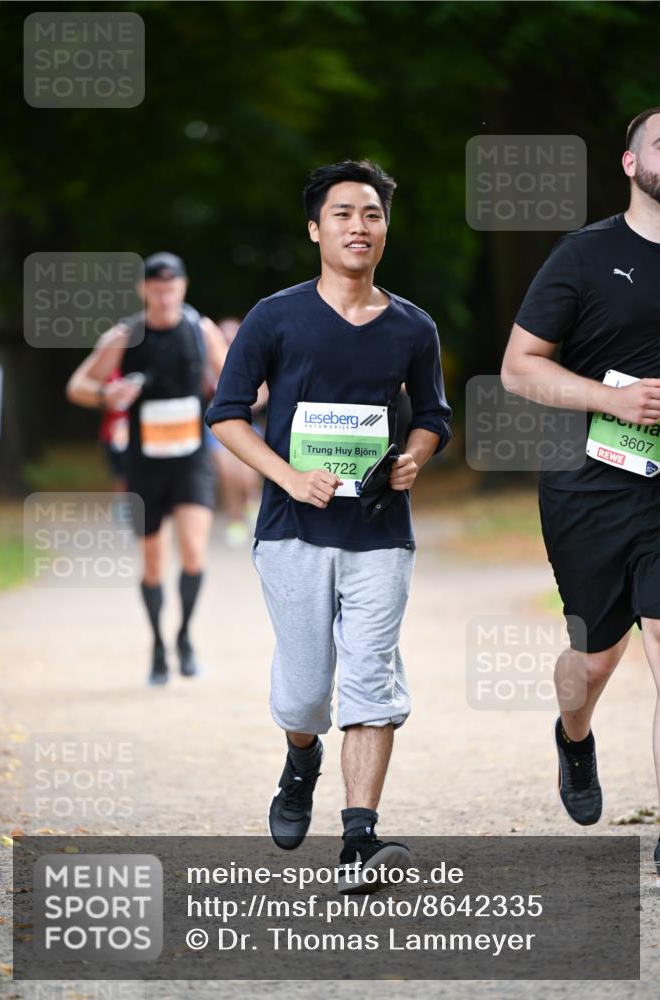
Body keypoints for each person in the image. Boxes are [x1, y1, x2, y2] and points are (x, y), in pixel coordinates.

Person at [206, 160, 452, 892]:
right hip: (291, 530)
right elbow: (224, 414)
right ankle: (300, 755)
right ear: (316, 229)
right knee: (306, 692)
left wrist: (412, 458)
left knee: (371, 675)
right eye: (343, 214)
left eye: (371, 214)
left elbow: (433, 416)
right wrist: (287, 476)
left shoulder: (413, 325)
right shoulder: (275, 316)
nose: (358, 226)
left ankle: (359, 838)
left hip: (380, 531)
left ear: (384, 228)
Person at [501, 109, 660, 877]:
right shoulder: (585, 254)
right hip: (590, 487)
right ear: (630, 163)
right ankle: (573, 736)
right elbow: (518, 366)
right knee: (592, 663)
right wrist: (609, 398)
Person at [66, 252, 227, 684]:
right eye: (155, 287)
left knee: (193, 552)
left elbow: (236, 380)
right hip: (144, 463)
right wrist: (108, 395)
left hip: (192, 459)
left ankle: (185, 636)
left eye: (170, 286)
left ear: (183, 287)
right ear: (143, 290)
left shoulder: (200, 330)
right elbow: (78, 385)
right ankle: (157, 644)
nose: (163, 294)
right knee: (153, 564)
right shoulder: (125, 335)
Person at [207, 317, 267, 548]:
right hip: (217, 427)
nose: (228, 340)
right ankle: (235, 519)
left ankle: (251, 500)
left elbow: (263, 392)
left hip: (246, 424)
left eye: (233, 336)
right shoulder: (209, 362)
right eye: (224, 336)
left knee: (247, 476)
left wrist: (242, 403)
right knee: (227, 473)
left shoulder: (250, 361)